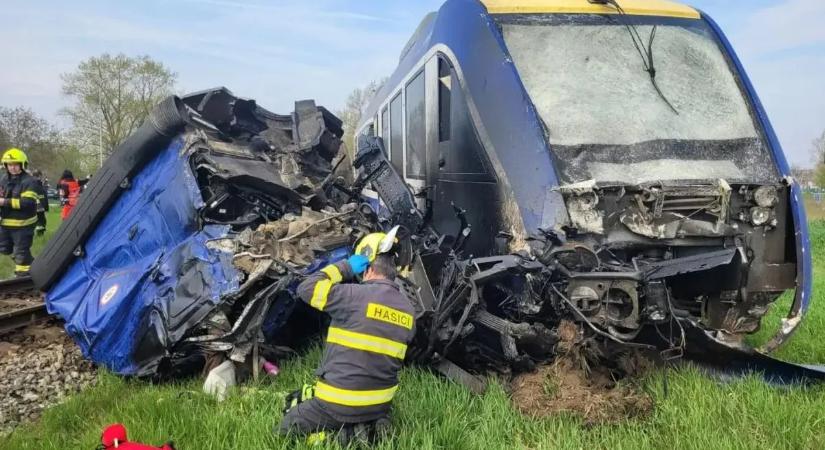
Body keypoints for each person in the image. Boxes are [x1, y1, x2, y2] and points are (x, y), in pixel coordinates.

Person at [278, 226, 415, 444]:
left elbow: (306, 288)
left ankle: (338, 438)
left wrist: (345, 267)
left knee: (288, 426)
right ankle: (370, 425)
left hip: (337, 402)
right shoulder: (409, 311)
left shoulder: (353, 295)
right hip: (380, 403)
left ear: (367, 267)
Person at [0, 148, 40, 277]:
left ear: (22, 165)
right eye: (9, 165)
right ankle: (34, 266)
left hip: (23, 225)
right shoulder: (3, 179)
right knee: (4, 248)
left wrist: (4, 202)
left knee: (21, 252)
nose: (12, 168)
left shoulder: (30, 181)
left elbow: (27, 203)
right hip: (5, 223)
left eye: (15, 164)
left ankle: (23, 278)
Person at [29, 169, 49, 235]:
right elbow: (43, 196)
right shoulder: (38, 184)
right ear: (40, 176)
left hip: (31, 205)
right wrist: (46, 207)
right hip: (39, 206)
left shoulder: (30, 183)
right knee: (41, 220)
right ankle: (40, 234)